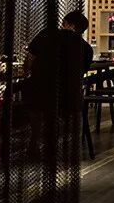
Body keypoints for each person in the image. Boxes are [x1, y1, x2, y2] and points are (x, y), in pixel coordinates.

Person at [23, 10, 93, 156]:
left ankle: (34, 140)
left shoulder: (47, 34)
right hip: (69, 95)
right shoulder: (86, 49)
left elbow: (29, 58)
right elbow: (80, 73)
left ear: (67, 23)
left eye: (63, 23)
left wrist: (27, 73)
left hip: (42, 90)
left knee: (30, 93)